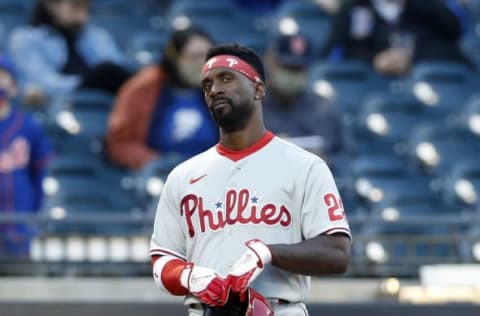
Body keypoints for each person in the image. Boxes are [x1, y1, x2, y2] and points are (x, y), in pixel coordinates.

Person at [149, 44, 351, 315]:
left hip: (279, 308)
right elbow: (163, 261)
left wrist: (268, 253)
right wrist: (188, 276)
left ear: (258, 89)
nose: (215, 89)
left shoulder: (305, 166)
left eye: (227, 79)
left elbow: (337, 254)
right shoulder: (183, 176)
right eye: (208, 84)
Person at [106, 27, 218, 171]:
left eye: (208, 57)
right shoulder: (142, 89)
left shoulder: (222, 89)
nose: (203, 64)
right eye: (195, 57)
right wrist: (158, 163)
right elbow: (120, 144)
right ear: (175, 59)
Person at [263, 33, 356, 174]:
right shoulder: (251, 109)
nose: (293, 75)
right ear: (271, 63)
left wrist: (326, 163)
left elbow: (348, 159)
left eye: (299, 69)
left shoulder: (325, 109)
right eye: (287, 68)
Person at [8, 0, 132, 105]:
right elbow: (44, 83)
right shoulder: (24, 39)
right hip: (61, 102)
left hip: (103, 99)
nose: (82, 16)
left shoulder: (95, 34)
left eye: (86, 8)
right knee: (106, 71)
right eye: (75, 6)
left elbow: (118, 66)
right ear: (52, 6)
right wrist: (86, 81)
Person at [322, 0, 472, 76]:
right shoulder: (354, 8)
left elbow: (455, 30)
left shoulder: (425, 9)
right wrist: (374, 60)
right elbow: (331, 57)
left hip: (425, 92)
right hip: (369, 87)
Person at [0, 54, 54, 257]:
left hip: (20, 225)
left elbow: (41, 175)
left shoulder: (29, 126)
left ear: (14, 87)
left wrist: (34, 216)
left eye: (2, 76)